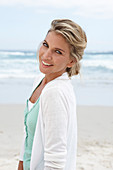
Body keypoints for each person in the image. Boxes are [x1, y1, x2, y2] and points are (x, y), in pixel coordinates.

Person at [18, 19, 87, 170]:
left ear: (71, 61)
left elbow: (55, 162)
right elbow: (28, 137)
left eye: (57, 51)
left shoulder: (54, 92)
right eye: (45, 45)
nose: (46, 55)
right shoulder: (40, 80)